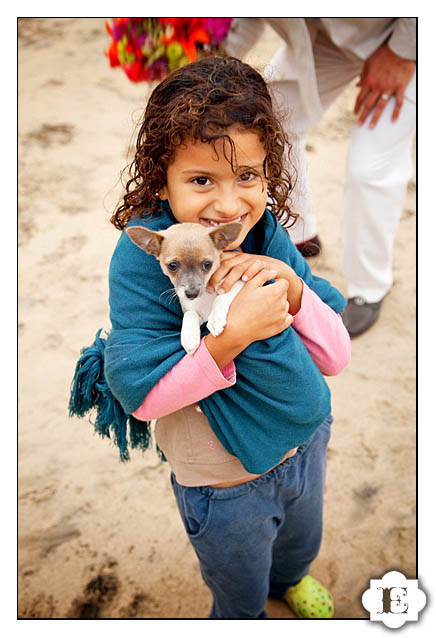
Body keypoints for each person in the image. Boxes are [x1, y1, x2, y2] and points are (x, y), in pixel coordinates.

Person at [82, 57, 351, 619]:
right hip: (221, 477)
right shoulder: (143, 262)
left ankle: (295, 577)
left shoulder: (264, 236)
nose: (229, 206)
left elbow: (335, 355)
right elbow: (144, 394)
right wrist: (231, 339)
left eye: (247, 176)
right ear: (161, 178)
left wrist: (292, 289)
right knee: (238, 580)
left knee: (300, 538)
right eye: (202, 180)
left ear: (268, 173)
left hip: (305, 438)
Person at [225, 18, 416, 337]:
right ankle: (300, 235)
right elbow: (244, 17)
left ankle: (369, 288)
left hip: (407, 35)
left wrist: (404, 51)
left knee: (370, 168)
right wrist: (203, 62)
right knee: (267, 119)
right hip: (324, 38)